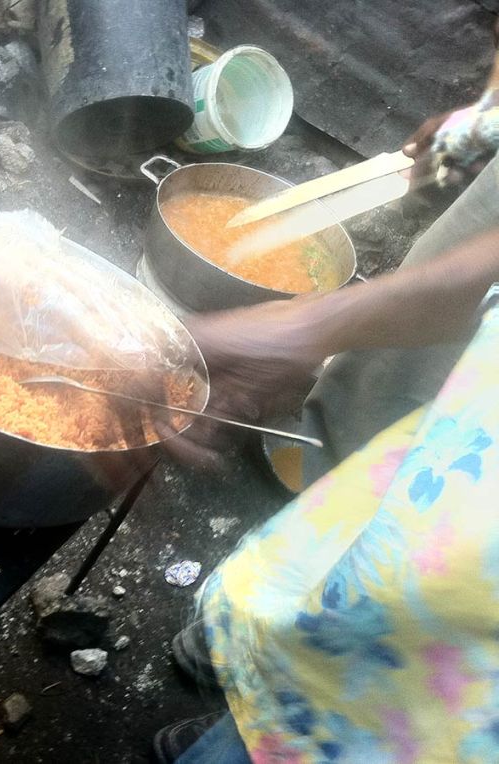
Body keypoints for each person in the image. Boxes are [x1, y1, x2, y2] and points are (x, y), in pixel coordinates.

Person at [150, 25, 499, 764]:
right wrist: (485, 121)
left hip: (455, 671)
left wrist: (306, 321)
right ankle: (240, 677)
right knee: (361, 454)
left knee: (366, 689)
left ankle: (255, 730)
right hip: (447, 456)